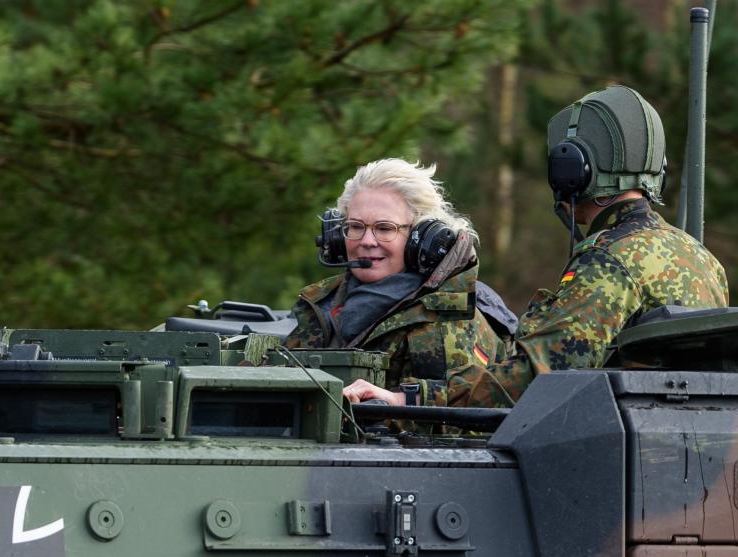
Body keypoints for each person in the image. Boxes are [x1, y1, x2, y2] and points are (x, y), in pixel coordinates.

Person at [343, 86, 729, 409]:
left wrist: (409, 399)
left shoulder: (610, 261)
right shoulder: (699, 256)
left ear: (573, 169)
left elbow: (538, 377)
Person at [285, 158, 515, 393]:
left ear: (421, 238)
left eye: (385, 228)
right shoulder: (319, 304)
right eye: (355, 226)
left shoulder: (452, 316)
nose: (366, 241)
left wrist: (386, 406)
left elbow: (465, 419)